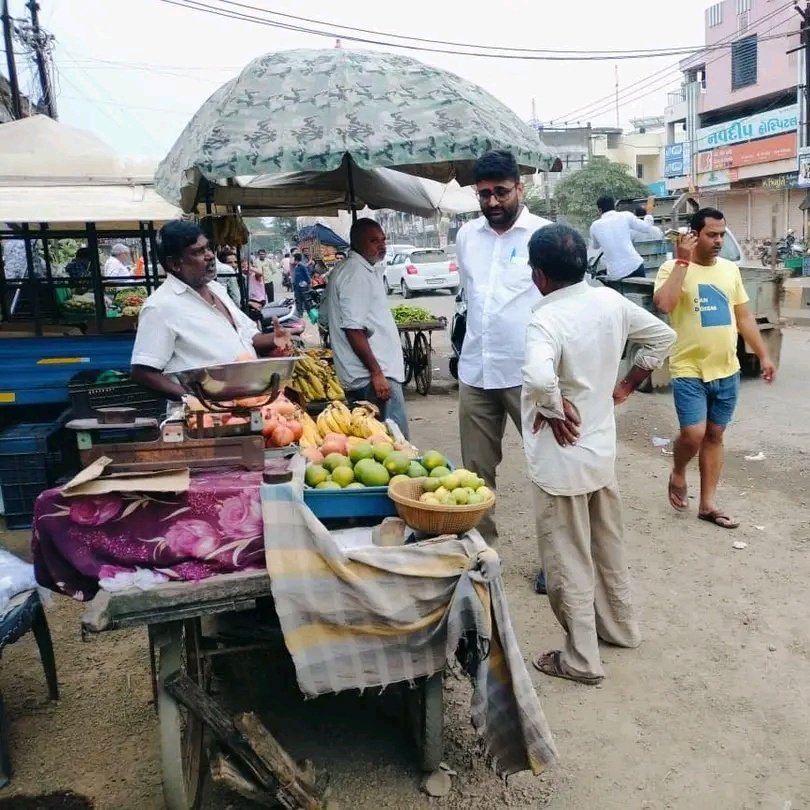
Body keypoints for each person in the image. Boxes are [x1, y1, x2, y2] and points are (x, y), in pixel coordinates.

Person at [522, 224, 676, 686]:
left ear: (539, 275)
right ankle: (620, 628)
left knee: (567, 559)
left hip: (560, 460)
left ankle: (581, 660)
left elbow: (535, 374)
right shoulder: (610, 301)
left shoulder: (544, 319)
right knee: (607, 547)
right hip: (600, 453)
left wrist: (551, 406)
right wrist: (625, 386)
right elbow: (662, 338)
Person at [653, 208, 776, 529]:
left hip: (726, 370)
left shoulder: (729, 271)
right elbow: (664, 305)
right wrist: (682, 260)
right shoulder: (672, 268)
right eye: (712, 234)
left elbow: (743, 317)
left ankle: (708, 505)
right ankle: (679, 471)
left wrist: (763, 355)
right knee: (693, 435)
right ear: (694, 235)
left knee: (715, 434)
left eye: (722, 234)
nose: (719, 240)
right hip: (689, 369)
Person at [454, 149, 551, 546]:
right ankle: (482, 552)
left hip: (529, 373)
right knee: (475, 472)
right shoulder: (466, 237)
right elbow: (470, 296)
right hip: (476, 371)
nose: (492, 202)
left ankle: (555, 558)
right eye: (484, 194)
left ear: (520, 188)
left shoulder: (543, 236)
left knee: (547, 467)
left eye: (501, 192)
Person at [130, 221, 289, 400]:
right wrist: (196, 400)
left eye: (208, 248)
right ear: (175, 264)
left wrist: (278, 338)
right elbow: (143, 373)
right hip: (204, 416)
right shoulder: (160, 306)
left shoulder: (216, 289)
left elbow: (248, 338)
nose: (210, 256)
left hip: (245, 403)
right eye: (198, 252)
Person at [326, 218, 409, 438]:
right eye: (374, 241)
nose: (382, 246)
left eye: (383, 240)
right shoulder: (356, 273)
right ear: (357, 243)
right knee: (395, 442)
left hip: (369, 374)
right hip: (372, 376)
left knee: (375, 445)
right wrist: (377, 372)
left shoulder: (355, 269)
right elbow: (354, 329)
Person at [589, 195, 662, 280]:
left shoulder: (594, 226)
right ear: (614, 207)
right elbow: (647, 227)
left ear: (599, 210)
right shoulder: (626, 216)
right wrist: (649, 211)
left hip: (615, 274)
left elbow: (595, 246)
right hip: (635, 266)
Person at [292, 251, 312, 317]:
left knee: (306, 299)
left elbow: (307, 274)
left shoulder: (301, 265)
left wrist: (309, 282)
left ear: (295, 259)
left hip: (303, 285)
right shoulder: (297, 266)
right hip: (297, 285)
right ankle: (300, 313)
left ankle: (309, 312)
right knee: (298, 299)